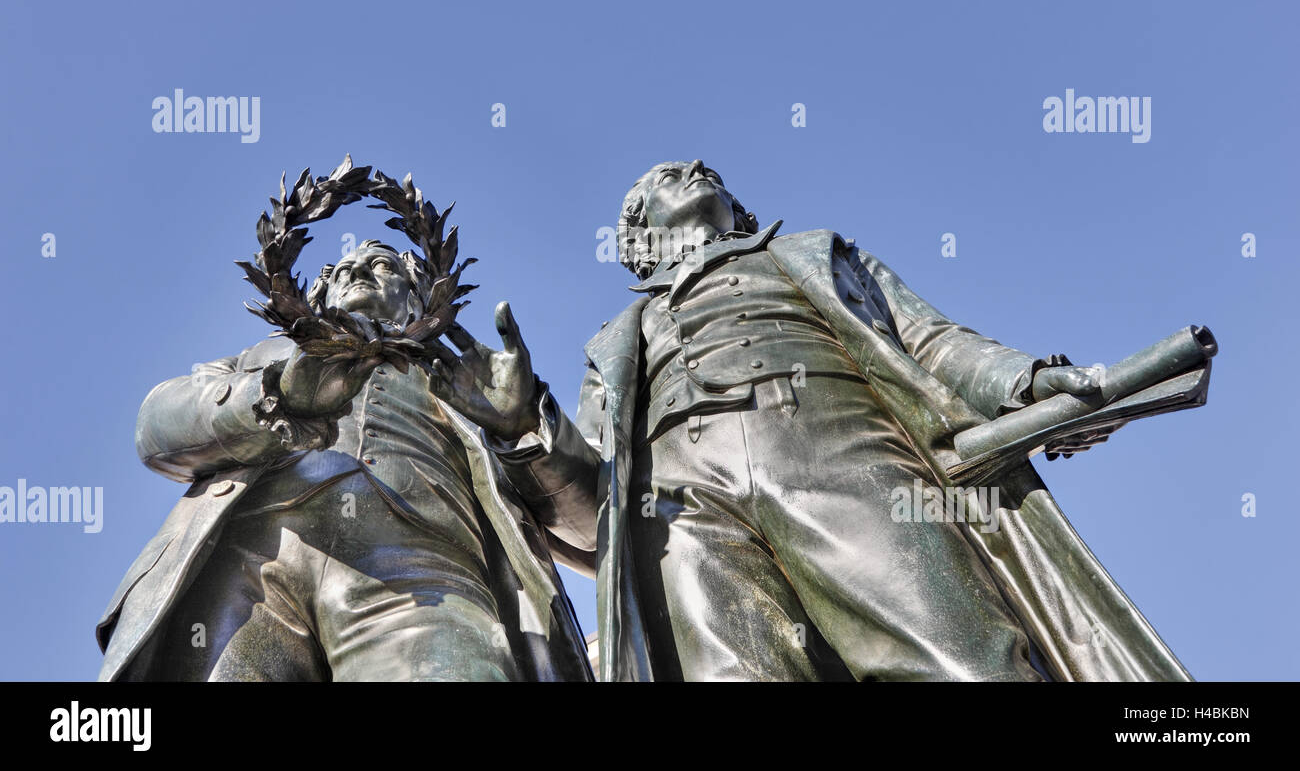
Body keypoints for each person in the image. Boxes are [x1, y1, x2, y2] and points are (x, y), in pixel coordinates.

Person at [427, 160, 1191, 682]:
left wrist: (1025, 381)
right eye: (665, 176)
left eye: (704, 170)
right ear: (638, 236)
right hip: (680, 509)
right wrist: (524, 430)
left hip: (840, 449)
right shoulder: (614, 346)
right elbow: (596, 507)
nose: (694, 168)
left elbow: (933, 342)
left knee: (957, 657)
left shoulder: (815, 254)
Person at [96, 240, 590, 682]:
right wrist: (274, 394)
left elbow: (593, 529)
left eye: (381, 264)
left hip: (425, 574)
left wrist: (522, 426)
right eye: (341, 271)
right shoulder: (260, 358)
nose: (356, 272)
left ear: (418, 290)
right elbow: (154, 430)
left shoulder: (470, 377)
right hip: (249, 560)